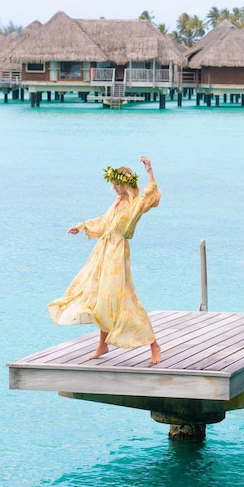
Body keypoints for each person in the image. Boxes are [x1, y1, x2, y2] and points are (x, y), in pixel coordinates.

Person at [47, 155, 162, 365]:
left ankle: (154, 345)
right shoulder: (117, 202)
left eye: (117, 184)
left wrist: (149, 170)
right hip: (103, 252)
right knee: (102, 296)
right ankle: (103, 344)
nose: (114, 188)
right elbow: (103, 222)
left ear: (126, 183)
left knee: (124, 299)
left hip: (118, 253)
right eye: (113, 184)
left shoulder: (136, 204)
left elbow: (152, 195)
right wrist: (82, 226)